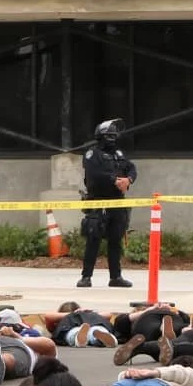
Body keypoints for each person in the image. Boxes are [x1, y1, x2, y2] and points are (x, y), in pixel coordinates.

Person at [78, 119, 136, 289]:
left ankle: (115, 277)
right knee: (93, 240)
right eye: (110, 135)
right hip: (98, 202)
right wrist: (116, 180)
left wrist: (128, 180)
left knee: (115, 240)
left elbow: (132, 167)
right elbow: (95, 173)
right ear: (101, 136)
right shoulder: (92, 154)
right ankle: (86, 277)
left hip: (117, 203)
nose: (113, 138)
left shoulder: (118, 153)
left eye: (114, 135)